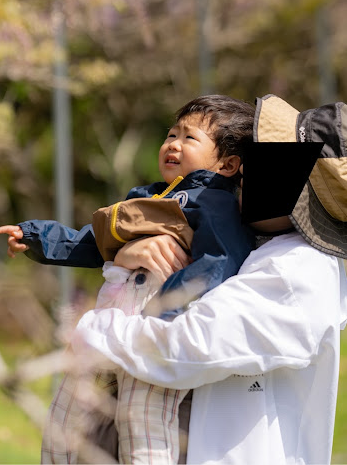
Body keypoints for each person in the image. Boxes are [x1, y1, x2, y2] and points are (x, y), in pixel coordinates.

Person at [69, 94, 347, 465]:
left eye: (268, 160)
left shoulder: (296, 271)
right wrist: (128, 255)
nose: (246, 168)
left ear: (298, 189)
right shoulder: (255, 247)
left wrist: (92, 331)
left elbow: (187, 345)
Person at [0, 95, 257, 464]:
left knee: (145, 426)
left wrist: (166, 312)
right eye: (170, 134)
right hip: (104, 325)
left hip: (154, 331)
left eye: (189, 138)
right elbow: (94, 241)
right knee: (65, 420)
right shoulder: (144, 198)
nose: (173, 144)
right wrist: (35, 236)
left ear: (228, 164)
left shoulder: (214, 204)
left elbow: (217, 263)